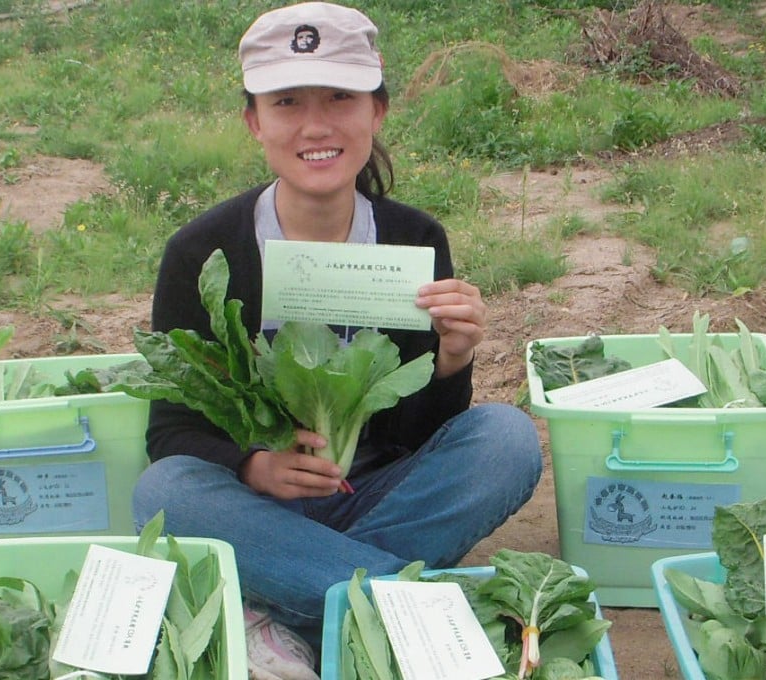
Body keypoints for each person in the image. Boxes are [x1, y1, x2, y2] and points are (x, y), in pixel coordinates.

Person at [132, 3, 543, 679]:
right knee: (164, 490)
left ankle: (287, 599)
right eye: (287, 101)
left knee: (506, 438)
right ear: (254, 120)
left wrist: (451, 362)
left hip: (374, 488)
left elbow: (417, 435)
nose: (316, 125)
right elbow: (171, 429)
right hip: (256, 506)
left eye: (341, 98)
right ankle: (413, 611)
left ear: (376, 112)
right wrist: (254, 466)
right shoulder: (202, 251)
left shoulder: (414, 239)